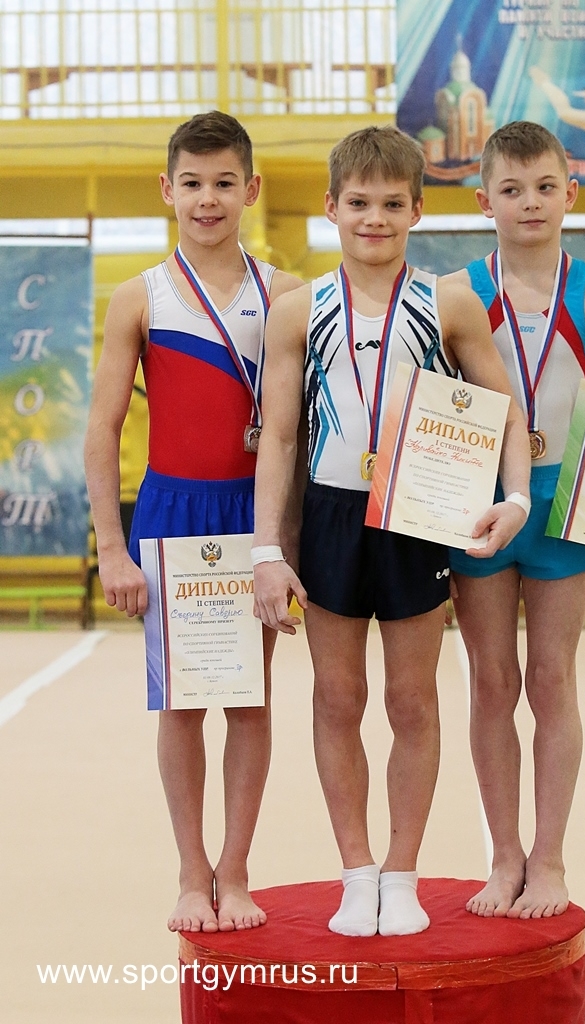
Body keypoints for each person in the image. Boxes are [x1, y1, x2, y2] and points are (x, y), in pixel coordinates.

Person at [251, 125, 531, 938]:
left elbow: (504, 410)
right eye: (359, 203)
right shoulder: (298, 310)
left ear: (416, 210)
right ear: (331, 207)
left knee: (412, 700)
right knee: (337, 697)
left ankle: (401, 872)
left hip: (417, 514)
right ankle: (357, 872)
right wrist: (268, 549)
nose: (374, 218)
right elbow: (278, 436)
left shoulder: (447, 302)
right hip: (332, 515)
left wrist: (515, 497)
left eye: (390, 204)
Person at [446, 120, 585, 921]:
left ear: (570, 193)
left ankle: (548, 859)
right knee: (491, 682)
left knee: (550, 678)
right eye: (511, 189)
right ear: (484, 201)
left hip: (566, 501)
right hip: (483, 498)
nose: (530, 202)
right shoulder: (456, 294)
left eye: (544, 187)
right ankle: (502, 854)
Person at [84, 111, 301, 934]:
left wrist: (288, 539)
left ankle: (236, 871)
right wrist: (113, 547)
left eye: (223, 183)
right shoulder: (138, 297)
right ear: (166, 190)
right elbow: (102, 428)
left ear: (251, 189)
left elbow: (302, 424)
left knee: (249, 699)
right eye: (192, 183)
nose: (207, 199)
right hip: (171, 512)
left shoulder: (286, 294)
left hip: (255, 512)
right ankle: (189, 871)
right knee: (179, 702)